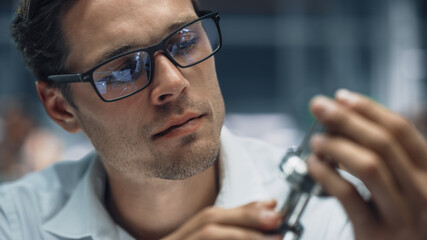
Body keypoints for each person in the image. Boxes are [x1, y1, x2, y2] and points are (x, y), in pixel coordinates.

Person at [3, 0, 426, 239]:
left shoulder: (341, 217)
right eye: (122, 68)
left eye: (184, 41)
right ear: (61, 108)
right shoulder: (14, 223)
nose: (172, 82)